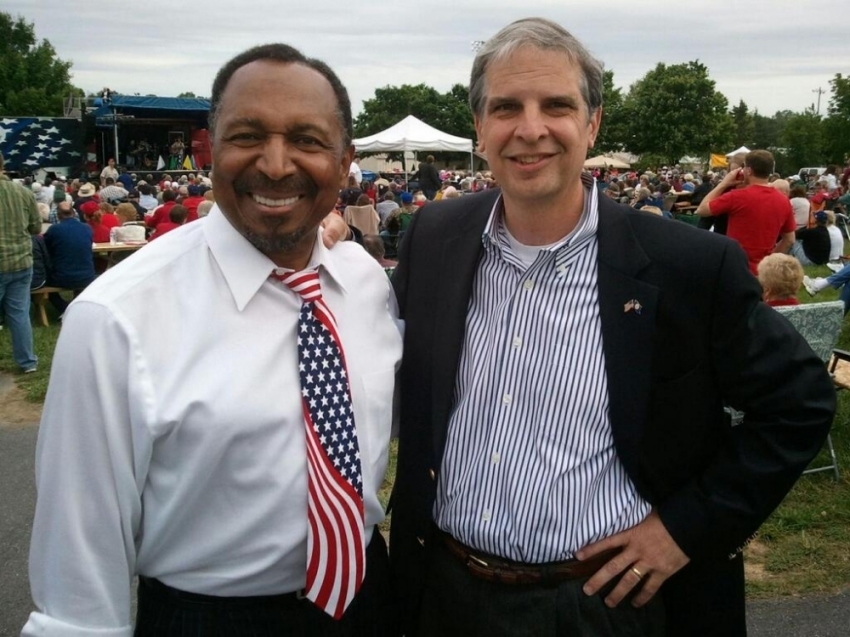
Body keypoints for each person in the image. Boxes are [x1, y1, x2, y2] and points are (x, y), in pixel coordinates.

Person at [383, 18, 834, 637]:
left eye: (557, 106)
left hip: (604, 605)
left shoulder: (686, 265)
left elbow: (801, 402)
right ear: (480, 128)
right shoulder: (434, 238)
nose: (531, 128)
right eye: (506, 107)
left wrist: (685, 529)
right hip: (446, 591)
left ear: (592, 123)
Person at [23, 42, 402, 637]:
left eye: (307, 140)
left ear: (345, 159)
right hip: (210, 618)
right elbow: (78, 575)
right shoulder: (116, 319)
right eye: (248, 136)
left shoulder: (363, 283)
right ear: (212, 146)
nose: (276, 166)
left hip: (366, 597)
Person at [696, 150, 796, 274]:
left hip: (735, 267)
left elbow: (701, 210)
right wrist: (770, 260)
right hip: (763, 270)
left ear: (748, 171)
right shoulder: (784, 200)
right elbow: (790, 239)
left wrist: (723, 184)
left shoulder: (736, 197)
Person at [0, 152, 41, 373]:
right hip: (21, 261)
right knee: (19, 313)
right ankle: (27, 362)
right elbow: (36, 228)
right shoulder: (23, 193)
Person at [42, 202, 96, 314]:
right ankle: (75, 306)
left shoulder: (54, 229)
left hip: (62, 277)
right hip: (87, 275)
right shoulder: (86, 228)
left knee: (41, 282)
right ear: (73, 212)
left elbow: (45, 249)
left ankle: (65, 309)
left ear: (58, 215)